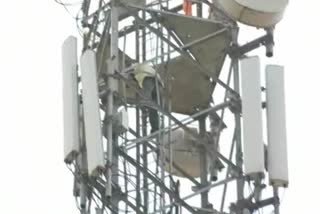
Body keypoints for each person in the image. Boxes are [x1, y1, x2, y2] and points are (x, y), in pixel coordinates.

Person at [132, 63, 163, 133]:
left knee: (146, 100)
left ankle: (155, 128)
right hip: (158, 85)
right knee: (153, 110)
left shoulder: (135, 70)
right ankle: (156, 128)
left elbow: (145, 92)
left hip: (149, 78)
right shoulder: (142, 68)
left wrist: (142, 105)